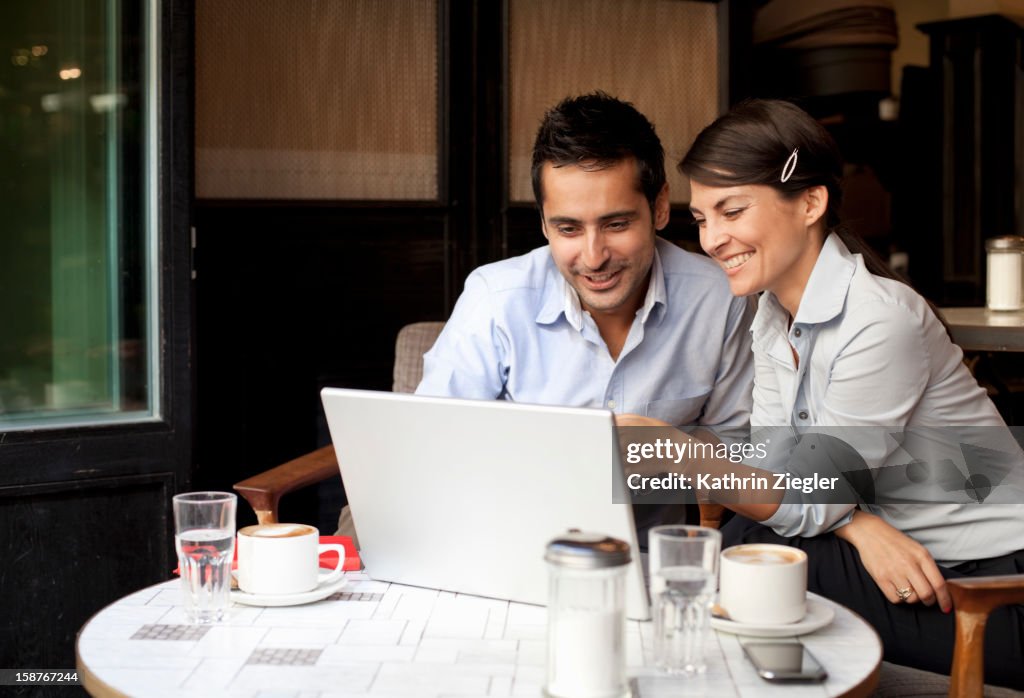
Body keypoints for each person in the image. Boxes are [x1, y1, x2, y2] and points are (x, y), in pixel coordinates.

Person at [670, 98, 1023, 688]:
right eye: (702, 218)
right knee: (750, 552)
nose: (711, 239)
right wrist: (856, 524)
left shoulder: (879, 319)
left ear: (810, 202)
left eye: (730, 211)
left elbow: (803, 497)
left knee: (749, 559)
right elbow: (780, 470)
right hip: (912, 563)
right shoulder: (771, 316)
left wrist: (679, 454)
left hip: (991, 587)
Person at [414, 92, 756, 538]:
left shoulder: (720, 299)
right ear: (543, 223)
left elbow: (738, 448)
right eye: (568, 228)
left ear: (658, 208)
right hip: (507, 547)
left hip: (646, 562)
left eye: (616, 225)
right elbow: (430, 448)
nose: (593, 258)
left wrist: (671, 450)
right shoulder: (494, 299)